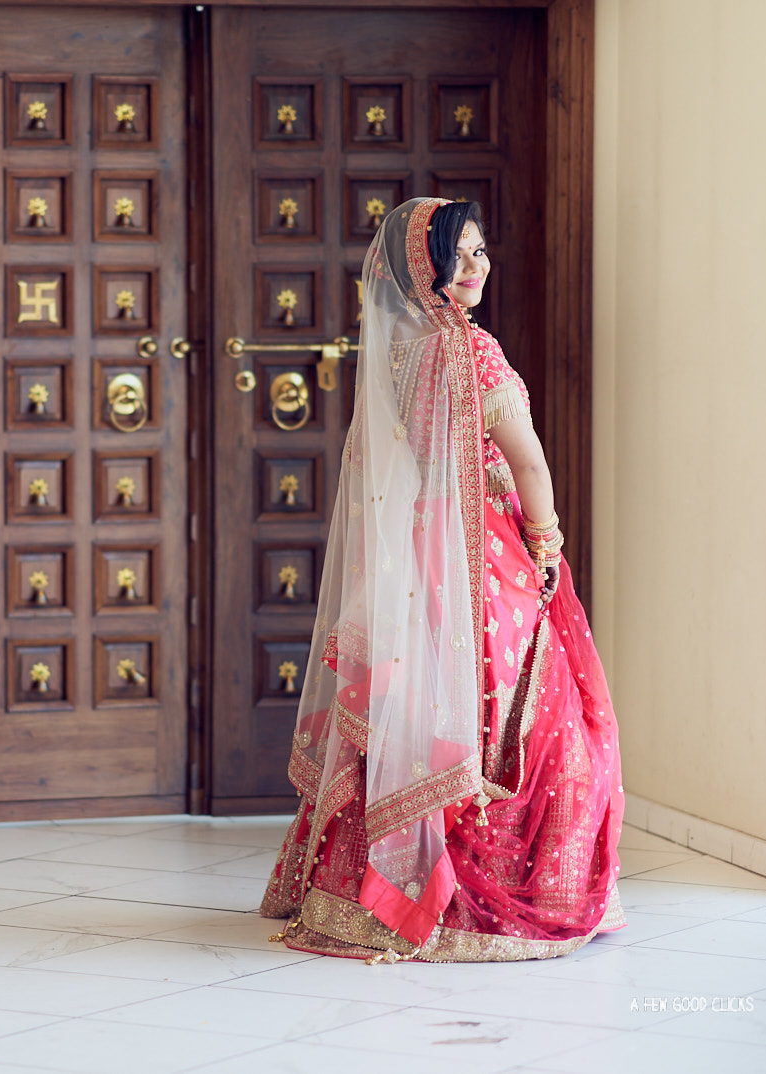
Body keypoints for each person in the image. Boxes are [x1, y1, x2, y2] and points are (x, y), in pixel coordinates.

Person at [259, 197, 624, 962]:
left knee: (410, 705)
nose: (475, 266)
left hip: (413, 557)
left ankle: (355, 889)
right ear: (421, 268)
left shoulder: (395, 350)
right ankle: (488, 897)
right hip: (481, 552)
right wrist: (547, 541)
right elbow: (526, 459)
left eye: (481, 251)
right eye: (457, 255)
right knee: (535, 708)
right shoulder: (473, 350)